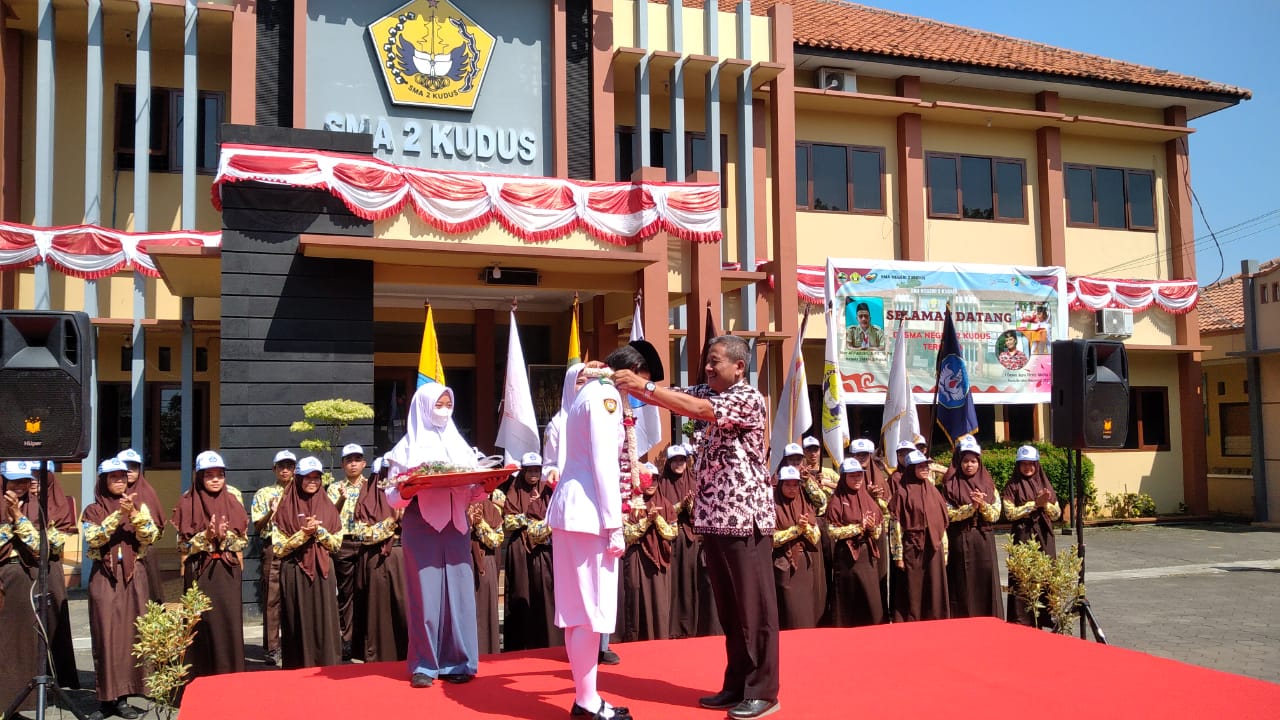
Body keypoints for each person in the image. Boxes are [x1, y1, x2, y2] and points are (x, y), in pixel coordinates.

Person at [614, 334, 780, 720]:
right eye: (706, 360)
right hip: (715, 518)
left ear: (739, 366)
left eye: (715, 361)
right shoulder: (708, 389)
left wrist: (646, 386)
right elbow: (667, 397)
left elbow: (698, 408)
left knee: (754, 609)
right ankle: (738, 683)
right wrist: (614, 378)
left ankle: (764, 690)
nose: (707, 367)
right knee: (730, 608)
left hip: (744, 518)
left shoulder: (747, 398)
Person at [546, 343, 649, 720]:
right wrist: (614, 525)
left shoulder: (586, 392)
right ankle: (588, 700)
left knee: (578, 613)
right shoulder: (606, 397)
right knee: (591, 612)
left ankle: (585, 696)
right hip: (591, 514)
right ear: (632, 371)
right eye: (643, 382)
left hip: (572, 511)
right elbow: (605, 465)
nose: (640, 391)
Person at [384, 382, 486, 687]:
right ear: (424, 408)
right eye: (438, 405)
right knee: (425, 596)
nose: (444, 410)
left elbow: (472, 491)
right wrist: (409, 489)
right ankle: (424, 665)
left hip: (456, 526)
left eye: (448, 404)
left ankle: (459, 661)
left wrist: (486, 486)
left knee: (460, 595)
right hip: (422, 524)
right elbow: (392, 496)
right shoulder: (406, 447)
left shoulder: (459, 444)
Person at [82, 457, 160, 719]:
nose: (119, 481)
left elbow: (150, 535)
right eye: (113, 477)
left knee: (129, 636)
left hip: (133, 574)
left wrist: (135, 515)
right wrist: (118, 515)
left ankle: (125, 696)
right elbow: (94, 538)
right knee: (106, 635)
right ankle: (106, 699)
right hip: (104, 576)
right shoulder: (93, 510)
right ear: (103, 480)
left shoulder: (138, 506)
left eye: (122, 476)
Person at [0, 461, 73, 714]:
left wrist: (18, 519)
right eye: (14, 481)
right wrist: (13, 525)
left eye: (25, 481)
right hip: (4, 579)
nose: (21, 486)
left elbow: (45, 547)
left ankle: (14, 705)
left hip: (27, 583)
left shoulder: (36, 507)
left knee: (21, 646)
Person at [172, 450, 248, 679]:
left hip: (226, 571)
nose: (215, 479)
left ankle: (231, 676)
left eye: (220, 474)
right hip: (199, 572)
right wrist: (206, 536)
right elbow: (182, 546)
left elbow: (242, 541)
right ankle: (201, 678)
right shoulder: (186, 502)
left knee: (228, 623)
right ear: (199, 477)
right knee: (201, 624)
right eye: (209, 475)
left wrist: (224, 538)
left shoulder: (233, 500)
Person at [272, 456, 343, 669]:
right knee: (297, 619)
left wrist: (319, 531)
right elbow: (278, 548)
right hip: (294, 571)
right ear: (298, 479)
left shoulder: (328, 506)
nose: (312, 482)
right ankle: (298, 665)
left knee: (324, 619)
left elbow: (336, 544)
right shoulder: (285, 508)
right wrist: (302, 535)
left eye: (316, 477)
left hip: (323, 571)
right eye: (307, 477)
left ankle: (327, 665)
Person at [940, 436, 1004, 620]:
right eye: (965, 461)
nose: (969, 465)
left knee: (985, 580)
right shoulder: (950, 485)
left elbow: (995, 514)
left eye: (973, 461)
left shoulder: (989, 485)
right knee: (962, 582)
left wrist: (982, 504)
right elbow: (948, 514)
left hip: (983, 539)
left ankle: (989, 620)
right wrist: (971, 508)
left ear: (979, 463)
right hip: (960, 538)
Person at [352, 456, 408, 662]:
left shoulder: (406, 496)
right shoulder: (366, 501)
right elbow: (362, 533)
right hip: (376, 560)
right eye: (383, 476)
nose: (388, 481)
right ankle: (379, 655)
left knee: (405, 608)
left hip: (404, 559)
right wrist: (391, 523)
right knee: (379, 610)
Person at [502, 452, 560, 650]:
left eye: (537, 470)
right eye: (530, 470)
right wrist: (528, 516)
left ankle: (547, 640)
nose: (534, 474)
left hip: (543, 550)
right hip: (520, 549)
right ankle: (520, 643)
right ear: (523, 471)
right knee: (521, 592)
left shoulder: (546, 490)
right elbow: (508, 521)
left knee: (545, 594)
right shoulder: (514, 491)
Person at [1002, 445, 1061, 627]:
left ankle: (1047, 617)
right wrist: (1034, 505)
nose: (1028, 468)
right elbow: (1010, 513)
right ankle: (1022, 620)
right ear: (1018, 465)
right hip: (1023, 536)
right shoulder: (1012, 486)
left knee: (1046, 575)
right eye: (1024, 464)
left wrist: (1045, 505)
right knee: (1023, 577)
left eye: (1031, 464)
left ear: (1037, 465)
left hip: (1044, 536)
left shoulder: (1045, 484)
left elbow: (1057, 513)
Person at [823, 458, 885, 627]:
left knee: (869, 597)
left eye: (860, 476)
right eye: (853, 476)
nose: (857, 479)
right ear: (844, 478)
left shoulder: (867, 499)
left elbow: (878, 531)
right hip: (846, 559)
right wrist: (858, 527)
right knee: (848, 599)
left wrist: (871, 528)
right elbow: (832, 531)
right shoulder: (837, 501)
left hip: (867, 556)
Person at [889, 450, 949, 623]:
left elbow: (942, 523)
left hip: (934, 546)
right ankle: (912, 620)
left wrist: (944, 549)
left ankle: (935, 618)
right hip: (912, 546)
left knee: (935, 585)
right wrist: (898, 555)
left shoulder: (933, 491)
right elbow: (896, 525)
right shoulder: (902, 492)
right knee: (913, 586)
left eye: (926, 465)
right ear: (911, 468)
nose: (925, 469)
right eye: (920, 466)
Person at [619, 465, 677, 642]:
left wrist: (657, 519)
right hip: (636, 558)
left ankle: (658, 641)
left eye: (655, 479)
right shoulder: (631, 504)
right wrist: (645, 521)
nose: (651, 484)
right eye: (647, 479)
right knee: (636, 599)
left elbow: (672, 533)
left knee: (658, 601)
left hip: (658, 559)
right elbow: (626, 535)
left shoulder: (665, 504)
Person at [250, 449, 296, 666]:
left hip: (298, 550)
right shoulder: (264, 493)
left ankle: (296, 644)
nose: (285, 470)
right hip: (274, 548)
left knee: (296, 598)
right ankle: (272, 647)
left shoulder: (303, 491)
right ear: (274, 469)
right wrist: (272, 511)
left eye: (289, 466)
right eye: (281, 466)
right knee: (272, 599)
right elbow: (257, 526)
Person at [327, 443, 369, 661]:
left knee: (366, 590)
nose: (353, 464)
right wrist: (342, 498)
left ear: (364, 463)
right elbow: (330, 516)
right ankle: (347, 639)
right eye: (348, 460)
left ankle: (365, 639)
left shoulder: (372, 486)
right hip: (344, 543)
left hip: (365, 543)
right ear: (343, 464)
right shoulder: (335, 487)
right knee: (345, 593)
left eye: (357, 460)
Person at [771, 466, 823, 630]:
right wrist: (795, 530)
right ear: (780, 485)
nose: (792, 489)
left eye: (796, 485)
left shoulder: (804, 504)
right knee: (788, 610)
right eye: (788, 485)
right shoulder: (773, 506)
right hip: (782, 564)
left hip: (804, 565)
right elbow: (771, 539)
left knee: (805, 610)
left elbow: (815, 536)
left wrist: (806, 528)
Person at [117, 449, 168, 605]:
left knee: (147, 603)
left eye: (134, 466)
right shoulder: (110, 493)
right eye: (125, 466)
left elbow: (158, 530)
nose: (130, 470)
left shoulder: (147, 492)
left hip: (143, 555)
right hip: (117, 556)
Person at [849, 438, 891, 617]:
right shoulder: (848, 476)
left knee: (879, 574)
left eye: (864, 455)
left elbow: (888, 510)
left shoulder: (880, 477)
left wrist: (876, 499)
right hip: (854, 535)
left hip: (877, 534)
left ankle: (879, 613)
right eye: (857, 455)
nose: (861, 458)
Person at [467, 478, 504, 655]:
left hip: (485, 562)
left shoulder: (490, 508)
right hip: (463, 561)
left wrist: (480, 525)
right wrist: (467, 522)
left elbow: (496, 540)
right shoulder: (459, 505)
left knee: (484, 608)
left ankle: (486, 651)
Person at [543, 363, 588, 486]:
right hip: (570, 488)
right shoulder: (556, 425)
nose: (586, 386)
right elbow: (549, 465)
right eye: (580, 382)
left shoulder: (604, 418)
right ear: (569, 386)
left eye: (590, 381)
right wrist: (552, 471)